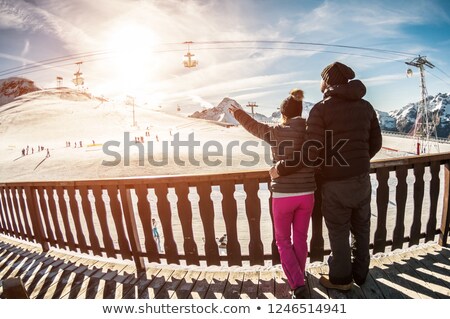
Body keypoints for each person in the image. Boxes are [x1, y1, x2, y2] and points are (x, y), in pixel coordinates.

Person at [271, 62, 382, 291]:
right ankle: (361, 274)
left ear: (328, 81)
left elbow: (311, 152)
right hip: (362, 179)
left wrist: (282, 168)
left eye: (322, 78)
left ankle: (341, 280)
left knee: (339, 231)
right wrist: (358, 162)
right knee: (361, 227)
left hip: (334, 182)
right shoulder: (366, 107)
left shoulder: (321, 110)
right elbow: (376, 143)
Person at [229, 93, 316, 299]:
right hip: (307, 193)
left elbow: (254, 126)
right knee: (301, 238)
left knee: (283, 241)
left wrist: (238, 113)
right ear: (300, 112)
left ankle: (297, 284)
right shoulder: (309, 131)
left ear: (283, 113)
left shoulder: (275, 131)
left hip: (283, 195)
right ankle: (299, 277)